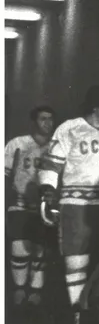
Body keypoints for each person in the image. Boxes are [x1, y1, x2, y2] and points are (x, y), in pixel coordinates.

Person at [37, 86, 99, 324]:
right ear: (95, 106)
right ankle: (78, 315)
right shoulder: (70, 128)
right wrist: (48, 192)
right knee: (76, 260)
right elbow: (52, 163)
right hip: (75, 202)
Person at [5, 105, 56, 310]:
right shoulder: (17, 143)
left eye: (51, 119)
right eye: (43, 119)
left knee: (40, 248)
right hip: (20, 202)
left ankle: (35, 292)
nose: (48, 123)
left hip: (44, 205)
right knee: (19, 246)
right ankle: (19, 289)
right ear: (34, 122)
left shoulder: (56, 146)